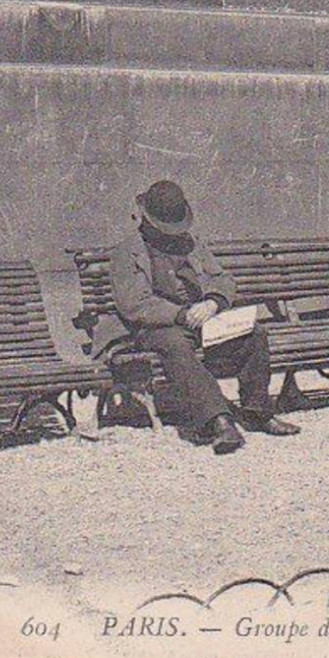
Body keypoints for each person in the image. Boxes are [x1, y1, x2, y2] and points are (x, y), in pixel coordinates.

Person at [101, 180, 300, 454]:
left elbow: (222, 278)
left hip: (200, 319)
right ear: (147, 220)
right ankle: (218, 421)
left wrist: (213, 302)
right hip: (156, 325)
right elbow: (134, 304)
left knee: (253, 334)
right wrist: (181, 314)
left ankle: (258, 411)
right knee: (176, 346)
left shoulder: (191, 244)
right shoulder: (128, 252)